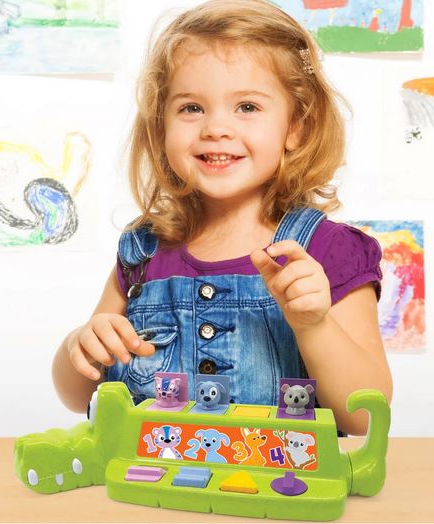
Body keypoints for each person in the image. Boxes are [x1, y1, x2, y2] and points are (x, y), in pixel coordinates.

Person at [52, 0, 392, 435]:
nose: (216, 128)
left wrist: (314, 326)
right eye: (191, 108)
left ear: (297, 127)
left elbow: (364, 416)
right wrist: (79, 345)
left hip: (280, 477)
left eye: (247, 107)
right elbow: (76, 395)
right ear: (161, 127)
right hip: (153, 477)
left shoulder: (329, 252)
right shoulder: (143, 253)